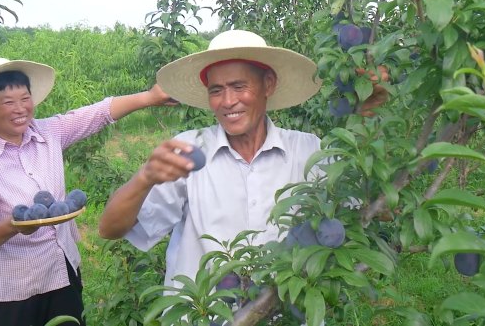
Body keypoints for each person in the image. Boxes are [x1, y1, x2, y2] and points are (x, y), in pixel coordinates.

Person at [98, 29, 389, 290]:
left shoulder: (308, 152)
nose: (227, 101)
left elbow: (375, 205)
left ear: (268, 85)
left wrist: (370, 113)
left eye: (239, 87)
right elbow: (110, 229)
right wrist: (144, 179)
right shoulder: (187, 150)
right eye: (216, 90)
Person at [0, 57, 173, 326]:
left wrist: (150, 97)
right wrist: (14, 225)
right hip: (13, 291)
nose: (21, 109)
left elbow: (98, 113)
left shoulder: (47, 133)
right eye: (8, 102)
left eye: (25, 98)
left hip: (61, 272)